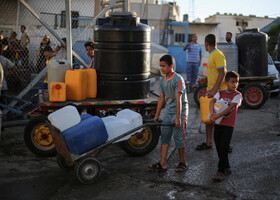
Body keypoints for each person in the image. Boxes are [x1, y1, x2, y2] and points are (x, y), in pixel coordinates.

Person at [148, 54, 189, 172]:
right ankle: (162, 163)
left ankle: (183, 162)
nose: (162, 68)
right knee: (165, 136)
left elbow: (178, 99)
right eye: (160, 66)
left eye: (164, 66)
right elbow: (161, 98)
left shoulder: (178, 79)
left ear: (171, 66)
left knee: (178, 138)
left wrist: (178, 118)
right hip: (169, 111)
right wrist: (156, 115)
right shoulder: (163, 79)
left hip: (180, 111)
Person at [209, 71, 242, 181]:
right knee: (219, 147)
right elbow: (212, 102)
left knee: (224, 147)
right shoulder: (220, 93)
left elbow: (231, 108)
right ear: (226, 82)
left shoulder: (237, 95)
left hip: (228, 125)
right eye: (232, 82)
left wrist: (217, 114)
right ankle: (227, 167)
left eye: (236, 82)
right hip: (218, 123)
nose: (235, 84)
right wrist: (212, 114)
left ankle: (221, 171)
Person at [196, 34, 227, 151]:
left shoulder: (218, 54)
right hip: (211, 91)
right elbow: (215, 73)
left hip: (219, 92)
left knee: (219, 120)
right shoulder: (211, 55)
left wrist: (214, 90)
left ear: (206, 43)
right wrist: (206, 80)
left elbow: (222, 73)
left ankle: (225, 144)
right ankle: (209, 142)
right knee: (209, 119)